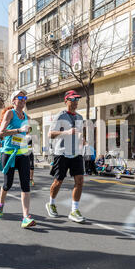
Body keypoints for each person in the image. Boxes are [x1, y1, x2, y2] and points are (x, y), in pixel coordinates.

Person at [0, 90, 36, 229]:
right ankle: (1, 204)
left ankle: (25, 217)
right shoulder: (10, 113)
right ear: (13, 100)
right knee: (8, 184)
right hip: (9, 153)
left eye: (25, 97)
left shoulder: (26, 116)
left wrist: (27, 133)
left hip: (22, 152)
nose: (23, 99)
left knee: (26, 184)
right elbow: (1, 133)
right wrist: (19, 130)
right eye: (20, 97)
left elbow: (25, 133)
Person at [46, 90, 86, 223]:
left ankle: (74, 210)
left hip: (76, 153)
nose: (75, 103)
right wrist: (67, 132)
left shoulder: (80, 117)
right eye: (72, 100)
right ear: (66, 101)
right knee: (59, 181)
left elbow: (79, 133)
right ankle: (51, 203)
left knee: (79, 181)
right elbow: (50, 134)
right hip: (61, 152)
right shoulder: (60, 116)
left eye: (77, 100)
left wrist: (82, 139)